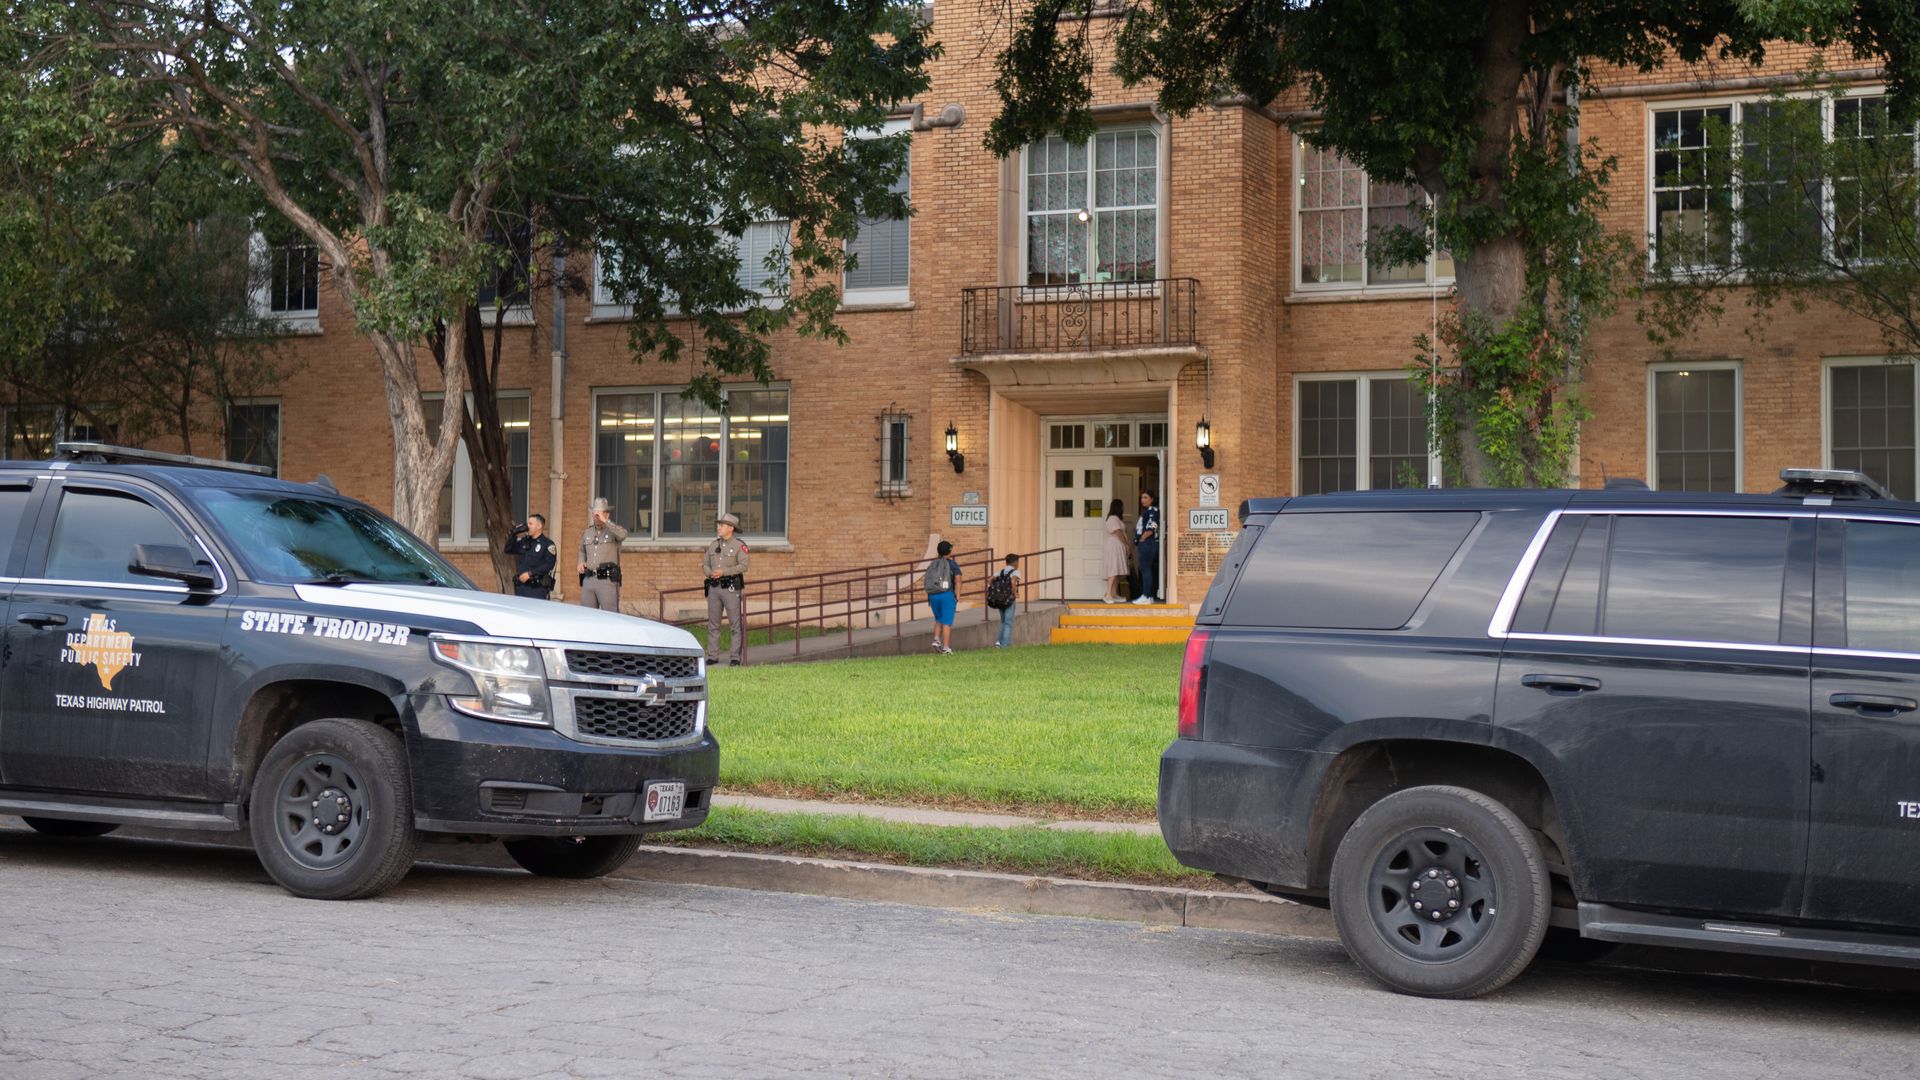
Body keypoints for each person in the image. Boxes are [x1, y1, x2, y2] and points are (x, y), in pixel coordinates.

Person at [703, 511, 751, 667]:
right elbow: (705, 563)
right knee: (713, 624)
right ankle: (712, 655)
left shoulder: (739, 546)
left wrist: (724, 572)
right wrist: (709, 573)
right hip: (714, 588)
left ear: (731, 528)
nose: (719, 527)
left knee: (735, 625)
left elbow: (744, 566)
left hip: (731, 588)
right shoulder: (713, 545)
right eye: (719, 525)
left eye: (722, 525)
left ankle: (735, 657)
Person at [576, 496, 628, 611]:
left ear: (607, 514)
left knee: (610, 616)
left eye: (599, 513)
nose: (596, 516)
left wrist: (606, 521)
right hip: (588, 579)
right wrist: (580, 561)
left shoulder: (614, 530)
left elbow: (623, 535)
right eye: (594, 513)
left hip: (607, 581)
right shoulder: (587, 532)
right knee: (587, 615)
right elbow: (581, 550)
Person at [504, 513, 557, 600]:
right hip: (521, 588)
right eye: (527, 523)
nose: (527, 526)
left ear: (539, 526)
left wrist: (530, 574)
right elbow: (508, 549)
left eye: (530, 524)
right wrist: (513, 533)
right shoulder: (524, 542)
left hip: (537, 589)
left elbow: (549, 565)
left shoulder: (547, 544)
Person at [924, 540, 961, 654]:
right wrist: (957, 596)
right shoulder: (952, 564)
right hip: (947, 595)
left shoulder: (934, 564)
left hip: (933, 595)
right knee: (947, 622)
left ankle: (936, 639)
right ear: (949, 551)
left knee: (939, 619)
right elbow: (958, 580)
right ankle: (946, 647)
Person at [1133, 489, 1161, 605]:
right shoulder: (1147, 511)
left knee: (1145, 570)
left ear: (1152, 499)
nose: (1142, 500)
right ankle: (1149, 596)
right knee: (1147, 570)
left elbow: (1151, 528)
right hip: (1148, 544)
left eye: (1145, 497)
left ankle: (1146, 595)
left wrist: (1142, 540)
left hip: (1148, 543)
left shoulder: (1152, 511)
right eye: (1141, 498)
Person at [1103, 498, 1131, 604]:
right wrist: (1126, 545)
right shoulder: (1113, 518)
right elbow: (1118, 532)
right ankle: (1108, 594)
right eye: (1122, 506)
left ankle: (1114, 594)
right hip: (1115, 545)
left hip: (1117, 546)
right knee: (1113, 568)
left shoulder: (1115, 518)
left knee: (1117, 570)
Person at [991, 553, 1021, 648]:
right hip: (1009, 599)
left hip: (1000, 599)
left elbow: (990, 579)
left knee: (1003, 621)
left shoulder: (1001, 571)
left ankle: (999, 642)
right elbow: (1013, 581)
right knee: (1008, 622)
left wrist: (994, 589)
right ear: (1015, 562)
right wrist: (1014, 593)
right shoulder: (1015, 571)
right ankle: (1005, 645)